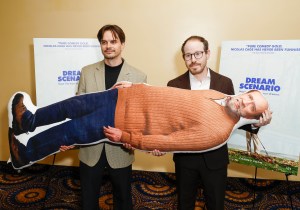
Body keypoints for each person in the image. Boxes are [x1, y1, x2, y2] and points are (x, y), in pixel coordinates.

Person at [9, 83, 269, 168]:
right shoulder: (216, 93)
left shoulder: (218, 131)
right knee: (69, 105)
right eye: (248, 97)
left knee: (68, 131)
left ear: (252, 116)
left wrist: (127, 136)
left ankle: (25, 155)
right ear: (246, 92)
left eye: (250, 107)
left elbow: (169, 142)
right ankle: (27, 121)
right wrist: (136, 86)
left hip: (118, 122)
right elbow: (169, 95)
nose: (244, 103)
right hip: (120, 95)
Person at [167, 36, 272, 210]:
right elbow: (168, 121)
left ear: (208, 53)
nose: (193, 60)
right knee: (184, 205)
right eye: (188, 55)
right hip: (185, 159)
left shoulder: (224, 83)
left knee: (216, 205)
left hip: (215, 160)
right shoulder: (174, 85)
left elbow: (234, 118)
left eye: (198, 54)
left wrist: (256, 125)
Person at [76, 25, 146, 210]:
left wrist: (133, 137)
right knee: (88, 199)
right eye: (104, 42)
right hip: (91, 149)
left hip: (121, 149)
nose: (108, 46)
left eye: (113, 41)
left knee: (123, 198)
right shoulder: (87, 72)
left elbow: (139, 116)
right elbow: (78, 108)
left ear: (122, 44)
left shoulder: (139, 76)